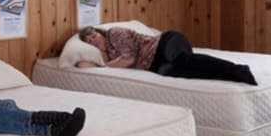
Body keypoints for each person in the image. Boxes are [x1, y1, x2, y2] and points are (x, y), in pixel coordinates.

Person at [78, 27, 258, 85]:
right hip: (156, 64)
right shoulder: (108, 55)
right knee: (187, 72)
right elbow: (82, 66)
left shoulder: (115, 33)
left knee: (184, 60)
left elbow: (129, 58)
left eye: (94, 36)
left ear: (99, 32)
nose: (93, 41)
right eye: (89, 42)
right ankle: (233, 76)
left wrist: (101, 68)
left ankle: (237, 69)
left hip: (164, 44)